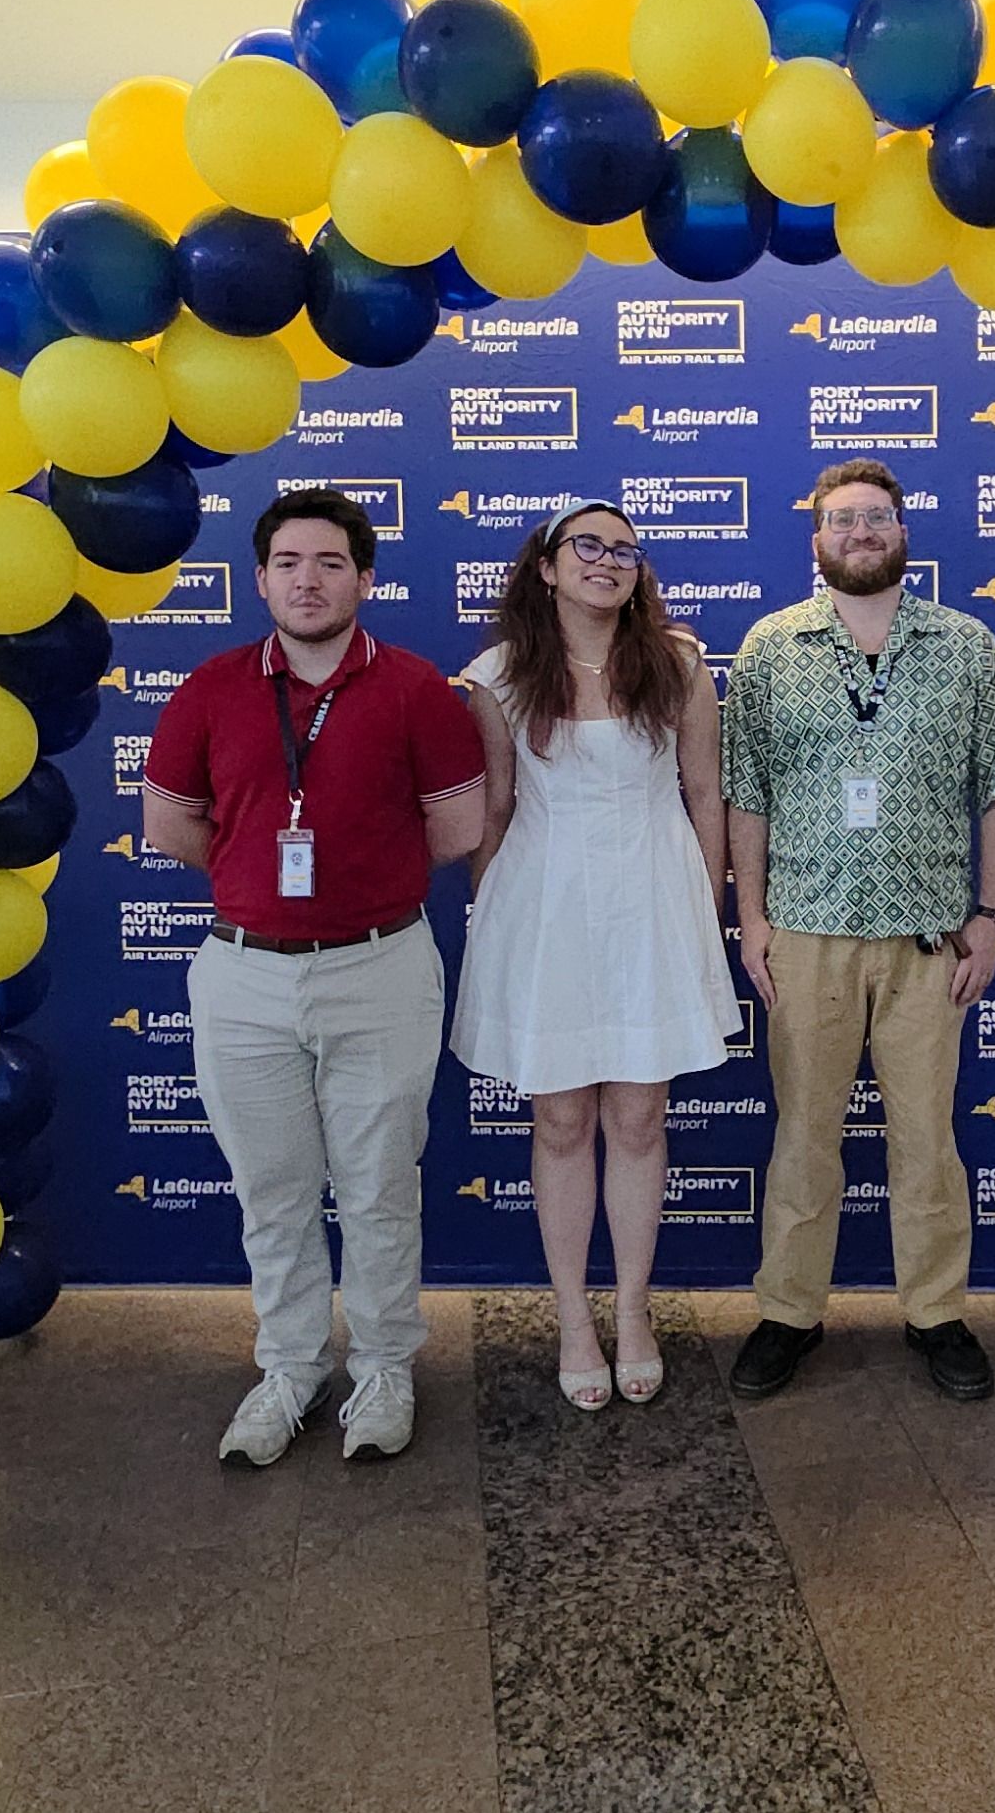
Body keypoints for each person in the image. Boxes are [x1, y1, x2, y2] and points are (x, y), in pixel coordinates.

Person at [141, 488, 487, 1466]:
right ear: (260, 578)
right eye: (288, 561)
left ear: (364, 578)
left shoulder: (417, 688)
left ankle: (383, 1361)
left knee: (379, 1183)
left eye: (330, 561)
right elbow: (170, 824)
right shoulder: (210, 687)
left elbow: (457, 828)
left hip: (379, 967)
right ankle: (288, 1366)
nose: (308, 578)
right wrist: (262, 877)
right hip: (244, 976)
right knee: (275, 1186)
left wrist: (348, 882)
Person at [721, 459, 995, 1403]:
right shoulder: (773, 647)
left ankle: (936, 1313)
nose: (861, 532)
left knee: (926, 1138)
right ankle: (788, 1312)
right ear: (815, 541)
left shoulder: (968, 645)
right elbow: (747, 796)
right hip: (806, 932)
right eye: (842, 520)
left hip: (930, 940)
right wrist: (750, 919)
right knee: (805, 1137)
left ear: (902, 533)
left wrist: (991, 916)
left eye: (877, 518)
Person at [451, 501, 732, 1410]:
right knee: (562, 1122)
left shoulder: (681, 665)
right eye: (588, 546)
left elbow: (704, 798)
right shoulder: (496, 676)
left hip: (652, 900)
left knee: (641, 1121)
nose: (608, 561)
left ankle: (637, 1311)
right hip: (545, 906)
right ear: (546, 567)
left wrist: (711, 912)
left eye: (624, 549)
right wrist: (492, 922)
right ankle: (575, 1317)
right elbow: (493, 811)